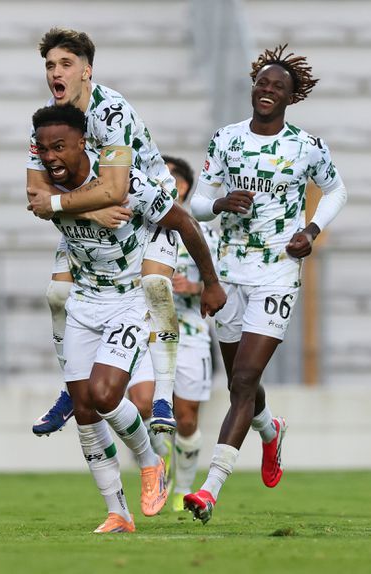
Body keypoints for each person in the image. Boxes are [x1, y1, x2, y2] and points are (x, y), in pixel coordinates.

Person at [31, 103, 224, 533]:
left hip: (127, 299)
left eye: (60, 147)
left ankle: (151, 461)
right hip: (84, 299)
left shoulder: (130, 184)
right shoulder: (45, 185)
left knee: (103, 394)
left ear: (84, 143)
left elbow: (185, 224)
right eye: (43, 149)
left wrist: (210, 282)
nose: (51, 158)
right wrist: (88, 211)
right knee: (85, 412)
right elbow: (41, 204)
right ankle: (117, 512)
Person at [182, 45, 348, 524]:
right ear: (253, 87)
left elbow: (338, 189)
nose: (268, 91)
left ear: (291, 98)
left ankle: (210, 491)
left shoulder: (307, 146)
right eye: (263, 83)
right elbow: (196, 202)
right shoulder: (226, 140)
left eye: (278, 86)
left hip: (277, 273)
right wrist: (218, 204)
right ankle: (270, 430)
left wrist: (311, 231)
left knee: (242, 381)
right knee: (243, 385)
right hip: (229, 272)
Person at [27, 27, 189, 436]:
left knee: (155, 287)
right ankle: (71, 388)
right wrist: (89, 213)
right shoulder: (49, 118)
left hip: (149, 208)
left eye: (66, 63)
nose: (55, 72)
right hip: (92, 212)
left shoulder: (109, 112)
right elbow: (35, 194)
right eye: (50, 65)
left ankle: (164, 396)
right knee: (57, 294)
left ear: (87, 70)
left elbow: (117, 190)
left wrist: (69, 205)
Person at [157, 155, 220, 512]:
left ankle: (181, 489)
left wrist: (194, 287)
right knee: (138, 403)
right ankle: (155, 455)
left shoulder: (204, 232)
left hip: (191, 331)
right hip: (147, 329)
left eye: (167, 177)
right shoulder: (139, 225)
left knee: (185, 418)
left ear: (182, 186)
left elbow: (223, 281)